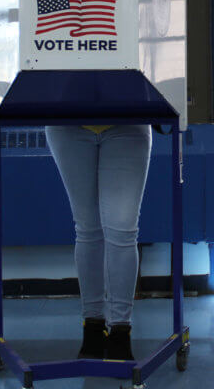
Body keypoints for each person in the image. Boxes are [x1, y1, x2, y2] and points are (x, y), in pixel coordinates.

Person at [44, 123, 152, 361]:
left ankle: (120, 332)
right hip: (69, 123)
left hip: (127, 122)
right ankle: (93, 327)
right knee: (88, 229)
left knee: (122, 231)